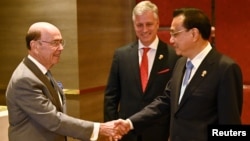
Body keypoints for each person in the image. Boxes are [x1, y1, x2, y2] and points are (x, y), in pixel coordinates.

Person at [116, 7, 243, 141]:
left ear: (194, 34)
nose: (171, 40)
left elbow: (230, 128)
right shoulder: (180, 63)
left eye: (175, 34)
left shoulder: (225, 68)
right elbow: (165, 101)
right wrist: (130, 122)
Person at [5, 22, 125, 141]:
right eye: (55, 43)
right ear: (35, 46)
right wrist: (99, 129)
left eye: (61, 42)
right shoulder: (24, 80)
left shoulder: (42, 71)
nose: (61, 48)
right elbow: (53, 120)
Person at [104, 1, 179, 141]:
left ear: (157, 23)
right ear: (134, 25)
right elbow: (111, 97)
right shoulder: (121, 55)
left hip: (159, 133)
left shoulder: (174, 56)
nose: (144, 30)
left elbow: (174, 99)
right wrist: (111, 129)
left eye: (149, 24)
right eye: (139, 25)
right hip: (126, 133)